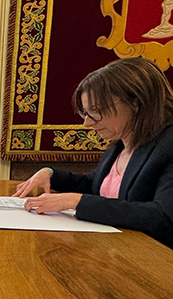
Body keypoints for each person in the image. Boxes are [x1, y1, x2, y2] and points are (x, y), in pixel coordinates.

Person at [14, 57, 173, 248]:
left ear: (136, 102)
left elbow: (163, 217)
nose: (87, 123)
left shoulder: (168, 143)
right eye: (85, 113)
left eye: (96, 111)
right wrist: (50, 174)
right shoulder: (120, 143)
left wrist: (76, 201)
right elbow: (94, 186)